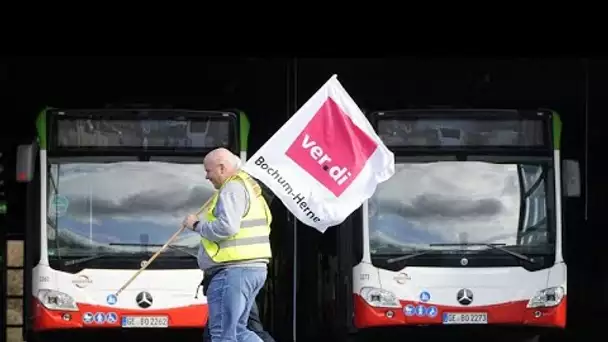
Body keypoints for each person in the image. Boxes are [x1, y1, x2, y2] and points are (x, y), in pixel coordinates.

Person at [183, 147, 274, 342]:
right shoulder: (249, 187)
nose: (207, 177)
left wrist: (196, 225)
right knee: (238, 332)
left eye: (208, 171)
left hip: (233, 270)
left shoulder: (232, 188)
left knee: (222, 334)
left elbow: (227, 227)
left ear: (222, 168)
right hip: (251, 269)